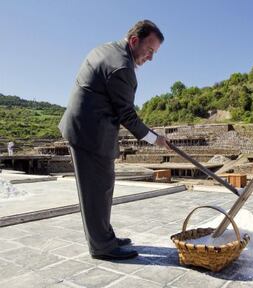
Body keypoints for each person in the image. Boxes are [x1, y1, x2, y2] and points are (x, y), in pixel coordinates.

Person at [59, 20, 170, 260]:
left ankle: (104, 235)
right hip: (89, 134)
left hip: (91, 129)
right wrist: (155, 139)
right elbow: (127, 115)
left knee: (103, 187)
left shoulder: (109, 49)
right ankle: (102, 246)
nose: (151, 58)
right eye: (150, 50)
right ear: (134, 41)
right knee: (96, 191)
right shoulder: (122, 68)